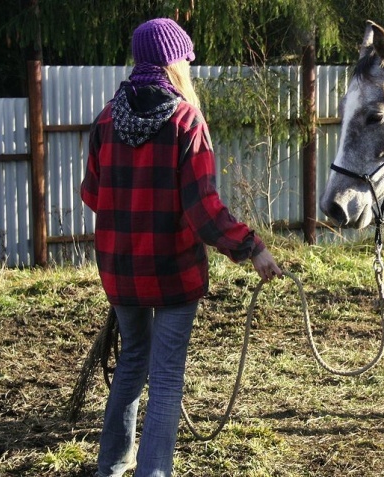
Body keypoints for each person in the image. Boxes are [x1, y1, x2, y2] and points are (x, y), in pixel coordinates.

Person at [81, 17, 282, 477]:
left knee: (133, 360)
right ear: (173, 64)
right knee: (167, 375)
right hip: (173, 274)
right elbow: (204, 212)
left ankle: (110, 467)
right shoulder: (186, 120)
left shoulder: (108, 118)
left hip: (120, 273)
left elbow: (92, 194)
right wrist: (252, 248)